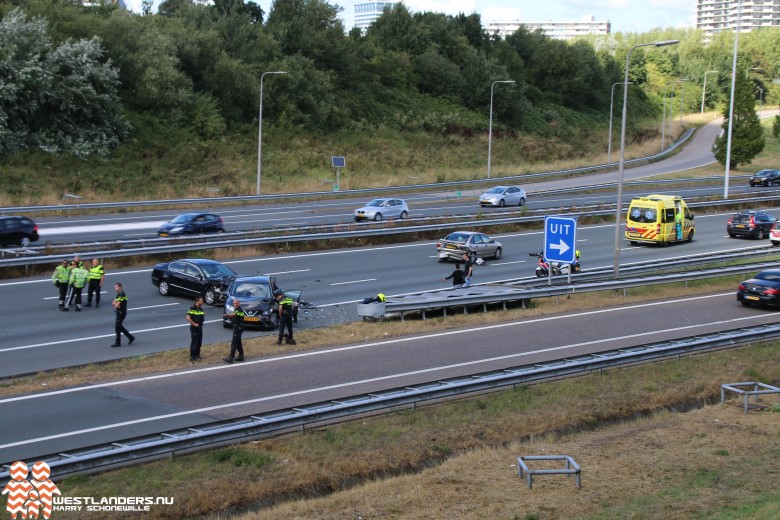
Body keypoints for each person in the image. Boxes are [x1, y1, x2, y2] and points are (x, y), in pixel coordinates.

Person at [110, 282, 135, 347]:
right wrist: (116, 304)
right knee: (119, 327)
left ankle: (118, 342)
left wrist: (116, 305)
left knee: (117, 327)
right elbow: (113, 303)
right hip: (119, 312)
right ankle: (130, 337)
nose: (115, 288)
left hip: (121, 313)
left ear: (120, 287)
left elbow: (116, 305)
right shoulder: (119, 294)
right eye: (115, 287)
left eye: (116, 287)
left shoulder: (122, 295)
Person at [223, 299, 245, 363]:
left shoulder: (240, 310)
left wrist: (228, 315)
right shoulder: (236, 309)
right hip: (237, 327)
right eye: (233, 303)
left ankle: (231, 357)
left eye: (235, 303)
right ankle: (241, 356)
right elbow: (235, 316)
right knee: (238, 342)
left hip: (238, 328)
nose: (234, 304)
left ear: (239, 303)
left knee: (234, 342)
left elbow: (234, 314)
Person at [186, 296, 205, 362]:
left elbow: (201, 316)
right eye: (201, 301)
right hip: (194, 327)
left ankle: (197, 354)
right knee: (194, 342)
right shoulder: (192, 308)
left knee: (199, 342)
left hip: (200, 327)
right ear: (197, 301)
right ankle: (192, 356)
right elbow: (188, 317)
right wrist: (194, 324)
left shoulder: (201, 309)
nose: (202, 302)